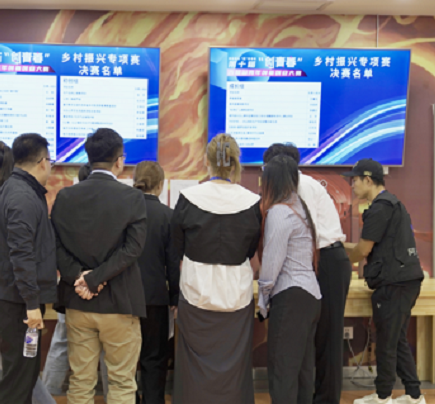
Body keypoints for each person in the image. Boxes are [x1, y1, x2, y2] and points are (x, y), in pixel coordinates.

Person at [51, 128, 147, 404]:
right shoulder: (132, 197)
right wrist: (96, 279)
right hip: (120, 303)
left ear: (88, 158)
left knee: (80, 381)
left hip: (77, 301)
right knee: (121, 381)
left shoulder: (65, 197)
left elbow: (54, 246)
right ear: (119, 161)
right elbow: (133, 249)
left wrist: (80, 278)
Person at [171, 133, 261, 404]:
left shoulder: (188, 198)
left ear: (206, 161)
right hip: (237, 294)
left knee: (193, 368)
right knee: (235, 365)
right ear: (235, 162)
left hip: (195, 292)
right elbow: (250, 250)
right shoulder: (252, 202)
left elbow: (175, 249)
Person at [0, 141, 54, 404]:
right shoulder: (20, 194)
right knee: (15, 375)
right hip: (14, 298)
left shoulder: (9, 189)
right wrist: (32, 303)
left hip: (5, 293)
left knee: (9, 369)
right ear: (42, 162)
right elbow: (21, 253)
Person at [262, 143, 352, 404]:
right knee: (308, 347)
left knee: (328, 338)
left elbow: (300, 237)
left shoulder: (300, 190)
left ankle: (326, 399)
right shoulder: (295, 189)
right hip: (316, 263)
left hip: (326, 260)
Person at [342, 159, 426, 404]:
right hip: (406, 280)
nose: (352, 185)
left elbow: (362, 251)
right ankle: (414, 396)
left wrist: (337, 259)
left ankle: (382, 397)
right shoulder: (393, 204)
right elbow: (368, 246)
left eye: (355, 180)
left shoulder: (379, 209)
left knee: (387, 342)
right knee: (396, 339)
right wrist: (340, 247)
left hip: (394, 283)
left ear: (368, 180)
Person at [43, 162, 110, 400]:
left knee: (62, 342)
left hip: (72, 286)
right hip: (105, 287)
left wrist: (77, 276)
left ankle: (47, 395)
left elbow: (56, 244)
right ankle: (110, 396)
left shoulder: (66, 203)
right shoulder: (112, 206)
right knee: (108, 348)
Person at [257, 154, 322, 404]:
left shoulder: (280, 212)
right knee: (303, 373)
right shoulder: (300, 207)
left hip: (291, 297)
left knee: (282, 371)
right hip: (310, 296)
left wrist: (263, 301)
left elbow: (272, 263)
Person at [132, 161, 180, 404]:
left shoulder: (124, 213)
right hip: (156, 299)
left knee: (125, 361)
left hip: (124, 298)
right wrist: (175, 297)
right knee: (154, 359)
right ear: (161, 185)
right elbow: (173, 263)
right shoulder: (168, 216)